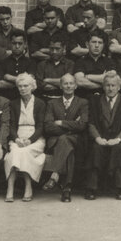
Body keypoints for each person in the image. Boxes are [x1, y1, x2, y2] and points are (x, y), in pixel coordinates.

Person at [86, 71, 121, 200]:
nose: (110, 88)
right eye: (107, 85)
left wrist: (118, 139)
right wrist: (98, 138)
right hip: (101, 139)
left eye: (113, 85)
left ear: (119, 87)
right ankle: (92, 188)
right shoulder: (95, 100)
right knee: (96, 149)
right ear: (103, 87)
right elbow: (91, 123)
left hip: (119, 140)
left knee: (119, 149)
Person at [43, 73, 89, 202]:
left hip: (78, 141)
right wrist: (72, 126)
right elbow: (48, 126)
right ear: (60, 86)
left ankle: (55, 175)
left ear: (75, 86)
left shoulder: (83, 103)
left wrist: (61, 122)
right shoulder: (52, 103)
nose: (68, 86)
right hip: (58, 141)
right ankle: (67, 189)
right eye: (65, 83)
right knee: (67, 147)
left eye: (71, 83)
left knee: (65, 141)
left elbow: (82, 126)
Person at [3, 73, 47, 202]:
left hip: (35, 137)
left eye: (25, 86)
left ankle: (28, 186)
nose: (22, 89)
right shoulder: (14, 103)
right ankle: (10, 187)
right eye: (20, 86)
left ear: (32, 86)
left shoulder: (40, 103)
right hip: (18, 135)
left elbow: (40, 126)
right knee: (16, 151)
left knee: (26, 151)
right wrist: (16, 139)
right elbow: (11, 125)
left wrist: (30, 140)